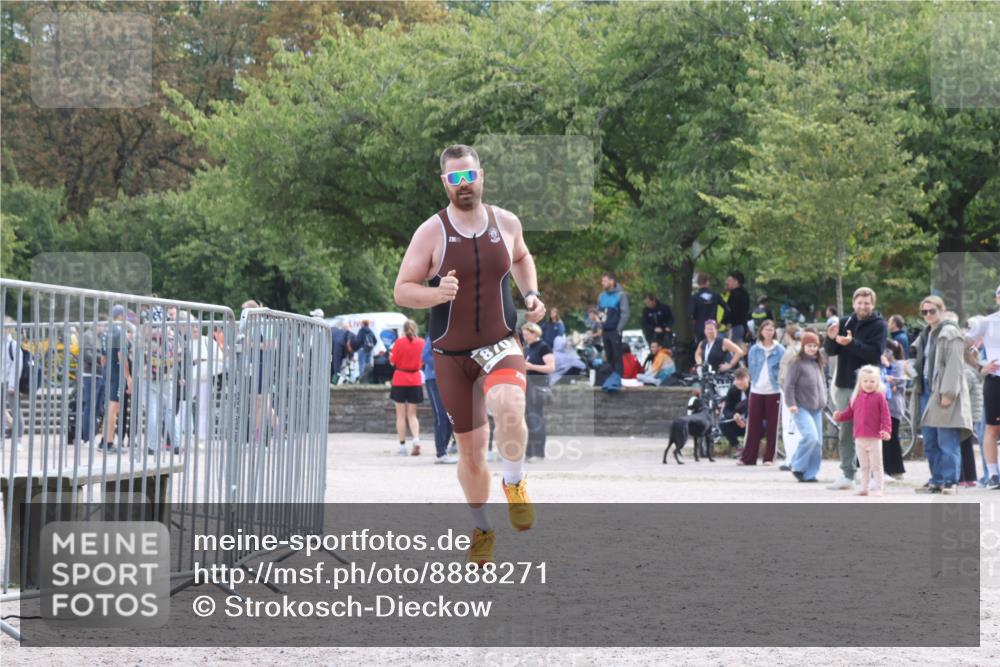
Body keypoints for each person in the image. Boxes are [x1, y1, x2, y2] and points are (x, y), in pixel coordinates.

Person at [393, 144, 545, 566]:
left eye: (469, 176)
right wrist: (435, 292)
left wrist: (530, 293)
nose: (464, 185)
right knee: (473, 455)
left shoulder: (506, 222)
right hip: (451, 353)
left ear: (481, 175)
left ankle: (514, 482)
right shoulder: (431, 232)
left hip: (500, 342)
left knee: (509, 406)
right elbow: (402, 289)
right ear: (444, 182)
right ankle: (482, 528)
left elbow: (521, 256)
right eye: (455, 178)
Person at [823, 287, 887, 490]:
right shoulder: (845, 322)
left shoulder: (879, 325)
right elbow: (831, 351)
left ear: (873, 305)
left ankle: (875, 474)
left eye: (867, 303)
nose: (863, 306)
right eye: (860, 302)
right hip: (844, 384)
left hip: (868, 387)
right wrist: (831, 338)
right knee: (846, 431)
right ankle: (848, 474)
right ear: (853, 303)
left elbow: (873, 353)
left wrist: (851, 343)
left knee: (872, 433)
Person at [910, 301, 972, 494]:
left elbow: (955, 365)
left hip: (942, 391)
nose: (928, 314)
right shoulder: (925, 334)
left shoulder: (950, 333)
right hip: (925, 390)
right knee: (929, 440)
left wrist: (948, 393)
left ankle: (950, 481)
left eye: (932, 311)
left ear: (942, 311)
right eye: (924, 311)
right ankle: (936, 480)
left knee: (947, 440)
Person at [833, 365, 892, 497]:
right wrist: (840, 416)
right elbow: (849, 414)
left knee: (876, 466)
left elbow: (885, 416)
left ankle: (879, 488)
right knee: (864, 466)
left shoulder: (879, 397)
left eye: (872, 381)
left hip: (875, 438)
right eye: (865, 381)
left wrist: (886, 430)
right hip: (859, 438)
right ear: (860, 382)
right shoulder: (856, 397)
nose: (869, 384)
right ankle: (864, 488)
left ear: (877, 382)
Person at [965, 284, 1000, 489]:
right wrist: (980, 366)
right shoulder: (987, 322)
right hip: (995, 379)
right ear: (997, 298)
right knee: (992, 428)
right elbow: (962, 345)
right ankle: (994, 475)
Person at [739, 319, 785, 466]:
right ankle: (748, 458)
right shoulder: (754, 349)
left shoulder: (780, 350)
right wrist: (754, 382)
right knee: (753, 425)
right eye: (766, 330)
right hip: (757, 390)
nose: (769, 332)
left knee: (772, 425)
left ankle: (769, 457)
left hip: (774, 390)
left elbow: (783, 369)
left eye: (771, 330)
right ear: (761, 332)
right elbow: (751, 368)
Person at [783, 331, 827, 483]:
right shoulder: (797, 363)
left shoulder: (817, 362)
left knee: (818, 443)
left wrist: (824, 400)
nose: (812, 348)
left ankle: (809, 474)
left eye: (815, 346)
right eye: (809, 345)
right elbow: (788, 386)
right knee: (810, 436)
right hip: (801, 407)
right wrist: (791, 404)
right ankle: (796, 465)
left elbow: (822, 384)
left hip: (817, 408)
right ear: (803, 346)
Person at [98, 305, 132, 453]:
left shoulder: (106, 331)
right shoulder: (119, 332)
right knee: (114, 408)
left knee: (109, 408)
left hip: (108, 371)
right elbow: (121, 356)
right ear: (121, 316)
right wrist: (128, 377)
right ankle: (109, 443)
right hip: (117, 373)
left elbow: (103, 357)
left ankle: (104, 440)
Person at [389, 319, 424, 456]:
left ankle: (402, 446)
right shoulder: (421, 343)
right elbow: (423, 360)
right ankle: (416, 439)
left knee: (400, 415)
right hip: (414, 380)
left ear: (404, 330)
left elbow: (393, 362)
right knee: (413, 414)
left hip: (400, 379)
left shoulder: (398, 342)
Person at [421, 331, 456, 464]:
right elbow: (425, 356)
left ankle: (444, 451)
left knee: (449, 416)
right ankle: (440, 453)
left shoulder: (454, 335)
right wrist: (443, 367)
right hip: (434, 379)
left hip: (449, 380)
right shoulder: (435, 334)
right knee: (440, 415)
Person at [522, 323, 554, 462]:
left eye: (527, 334)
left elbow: (551, 367)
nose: (525, 336)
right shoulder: (528, 348)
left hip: (537, 387)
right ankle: (529, 452)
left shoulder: (543, 347)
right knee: (528, 420)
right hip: (527, 386)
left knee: (536, 419)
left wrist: (531, 366)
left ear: (535, 333)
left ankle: (539, 453)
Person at [597, 272, 630, 380]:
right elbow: (600, 313)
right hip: (605, 330)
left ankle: (618, 378)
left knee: (616, 355)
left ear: (612, 281)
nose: (603, 283)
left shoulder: (621, 295)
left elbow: (625, 313)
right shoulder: (601, 296)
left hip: (614, 330)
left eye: (605, 281)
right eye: (602, 281)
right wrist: (600, 326)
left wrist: (619, 329)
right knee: (608, 355)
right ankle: (609, 378)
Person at [881, 340, 907, 480]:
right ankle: (886, 468)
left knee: (892, 438)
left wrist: (887, 368)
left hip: (893, 407)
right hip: (883, 406)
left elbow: (896, 382)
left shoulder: (899, 365)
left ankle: (896, 469)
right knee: (884, 439)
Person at [959, 345, 983, 487]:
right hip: (972, 413)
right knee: (966, 445)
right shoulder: (974, 370)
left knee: (962, 445)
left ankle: (963, 477)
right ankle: (969, 476)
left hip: (965, 413)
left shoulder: (966, 372)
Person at [2, 317, 24, 447]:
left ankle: (19, 439)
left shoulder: (13, 345)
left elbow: (17, 366)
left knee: (15, 410)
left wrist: (12, 384)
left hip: (9, 382)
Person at [720, 367, 750, 456]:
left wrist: (747, 420)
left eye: (742, 379)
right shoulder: (733, 390)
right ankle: (738, 446)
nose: (739, 382)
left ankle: (750, 448)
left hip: (753, 421)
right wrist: (734, 416)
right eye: (737, 379)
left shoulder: (754, 390)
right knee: (723, 424)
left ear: (748, 378)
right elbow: (726, 409)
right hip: (738, 423)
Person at [690, 273, 728, 341]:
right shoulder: (715, 296)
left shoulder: (695, 297)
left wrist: (694, 322)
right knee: (712, 348)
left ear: (698, 283)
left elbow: (690, 313)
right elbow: (727, 308)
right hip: (712, 327)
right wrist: (721, 322)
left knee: (701, 348)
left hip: (700, 328)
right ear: (707, 282)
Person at [724, 271, 750, 344]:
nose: (727, 282)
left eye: (729, 280)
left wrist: (729, 323)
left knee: (734, 350)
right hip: (741, 325)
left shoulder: (736, 295)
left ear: (736, 281)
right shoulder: (744, 293)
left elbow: (733, 311)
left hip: (735, 327)